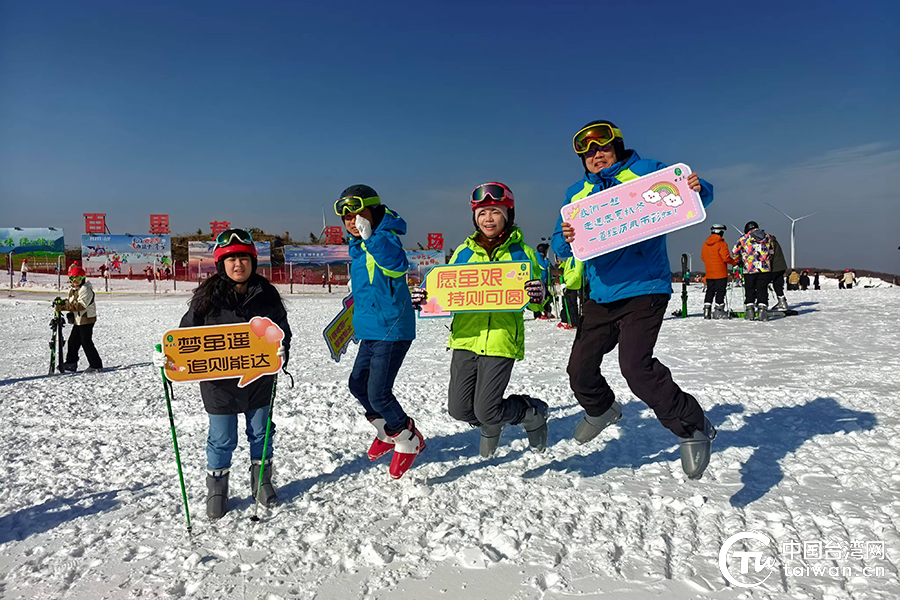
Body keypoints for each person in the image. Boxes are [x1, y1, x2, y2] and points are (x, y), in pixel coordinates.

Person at [552, 120, 717, 480]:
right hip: (601, 293)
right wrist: (565, 238)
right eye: (588, 152)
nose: (597, 155)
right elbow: (561, 244)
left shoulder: (646, 172)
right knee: (579, 369)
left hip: (645, 287)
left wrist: (696, 186)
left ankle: (692, 427)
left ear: (618, 146)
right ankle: (601, 409)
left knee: (636, 369)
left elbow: (693, 196)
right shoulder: (576, 194)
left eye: (603, 147)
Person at [154, 229, 291, 519]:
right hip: (219, 384)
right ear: (221, 264)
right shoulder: (207, 296)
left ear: (253, 262)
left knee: (262, 432)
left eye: (244, 258)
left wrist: (281, 349)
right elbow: (185, 337)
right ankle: (217, 486)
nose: (238, 264)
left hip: (258, 379)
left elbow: (281, 330)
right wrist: (168, 357)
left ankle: (261, 481)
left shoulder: (266, 294)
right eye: (231, 259)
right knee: (222, 437)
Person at [412, 182, 549, 458]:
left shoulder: (524, 255)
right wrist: (423, 296)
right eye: (482, 213)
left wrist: (539, 292)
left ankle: (532, 412)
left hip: (500, 340)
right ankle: (493, 421)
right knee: (459, 410)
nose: (488, 218)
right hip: (465, 339)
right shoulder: (464, 253)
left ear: (508, 215)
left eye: (496, 212)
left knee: (487, 409)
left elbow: (538, 297)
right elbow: (442, 289)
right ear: (475, 218)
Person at [336, 184, 423, 479]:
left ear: (373, 212)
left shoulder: (384, 238)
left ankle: (407, 437)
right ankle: (386, 432)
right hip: (369, 328)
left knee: (379, 391)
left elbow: (398, 267)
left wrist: (371, 237)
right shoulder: (359, 245)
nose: (352, 220)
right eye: (346, 216)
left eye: (357, 213)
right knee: (358, 384)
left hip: (392, 328)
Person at [55, 264, 103, 373]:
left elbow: (80, 305)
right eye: (72, 279)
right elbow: (71, 301)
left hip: (86, 319)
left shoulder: (86, 289)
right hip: (78, 319)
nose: (74, 281)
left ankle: (96, 365)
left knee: (86, 342)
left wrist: (63, 307)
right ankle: (71, 363)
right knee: (73, 341)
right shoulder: (74, 289)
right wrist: (62, 302)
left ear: (83, 278)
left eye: (78, 279)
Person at [732, 221, 774, 321]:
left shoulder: (743, 238)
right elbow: (772, 251)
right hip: (764, 269)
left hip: (749, 269)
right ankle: (762, 312)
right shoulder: (767, 237)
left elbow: (735, 252)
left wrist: (739, 260)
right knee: (762, 289)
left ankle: (750, 312)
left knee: (750, 289)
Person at [700, 224, 737, 319]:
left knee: (710, 291)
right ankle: (719, 311)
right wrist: (734, 263)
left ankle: (707, 310)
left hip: (709, 273)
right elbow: (726, 258)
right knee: (720, 292)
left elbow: (703, 257)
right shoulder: (722, 244)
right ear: (720, 232)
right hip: (720, 273)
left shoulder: (705, 244)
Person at [559, 257, 583, 329]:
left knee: (572, 305)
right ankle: (568, 321)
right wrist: (562, 264)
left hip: (572, 285)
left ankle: (574, 322)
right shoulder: (570, 257)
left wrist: (568, 284)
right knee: (566, 303)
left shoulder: (578, 258)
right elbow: (569, 269)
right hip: (567, 284)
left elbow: (577, 274)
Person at [532, 243, 554, 319]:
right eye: (546, 250)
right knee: (540, 297)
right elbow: (544, 267)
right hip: (539, 281)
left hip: (544, 281)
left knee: (546, 297)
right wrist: (547, 261)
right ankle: (538, 314)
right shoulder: (537, 257)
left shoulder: (541, 257)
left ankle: (546, 312)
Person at [769, 235, 789, 310]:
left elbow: (769, 255)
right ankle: (782, 301)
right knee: (777, 285)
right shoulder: (775, 242)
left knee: (762, 284)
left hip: (774, 267)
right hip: (781, 266)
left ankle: (761, 304)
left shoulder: (770, 243)